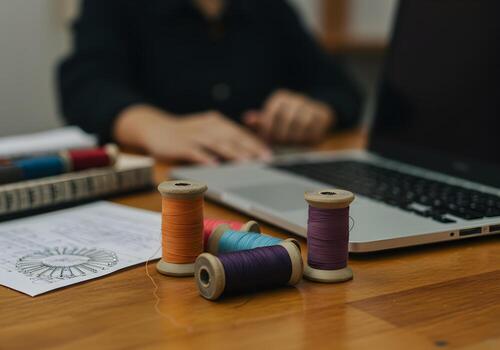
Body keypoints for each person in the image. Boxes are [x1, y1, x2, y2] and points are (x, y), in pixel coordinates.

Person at [57, 0, 363, 164]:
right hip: (161, 192)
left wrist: (319, 111)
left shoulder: (270, 8)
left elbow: (342, 88)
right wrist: (153, 127)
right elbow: (85, 84)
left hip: (264, 176)